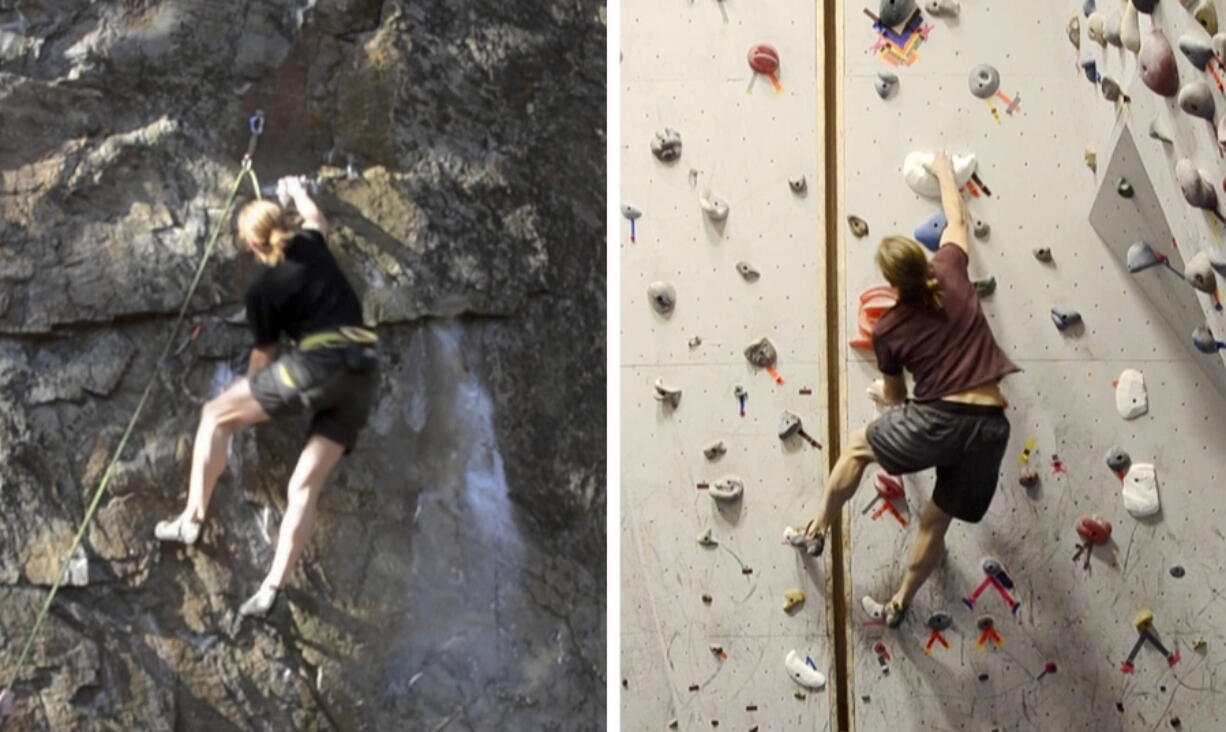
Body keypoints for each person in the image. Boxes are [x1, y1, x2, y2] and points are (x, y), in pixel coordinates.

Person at [803, 150, 1019, 627]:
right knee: (933, 521)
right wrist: (943, 170)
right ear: (922, 260)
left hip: (939, 418)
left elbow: (899, 401)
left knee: (858, 447)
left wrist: (885, 396)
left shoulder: (889, 329)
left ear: (891, 284)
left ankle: (816, 530)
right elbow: (956, 219)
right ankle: (899, 603)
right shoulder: (951, 270)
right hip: (990, 428)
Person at [154, 176, 379, 617]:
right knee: (303, 485)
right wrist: (295, 191)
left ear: (251, 246)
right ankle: (272, 588)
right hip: (364, 371)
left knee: (215, 416)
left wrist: (250, 395)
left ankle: (192, 518)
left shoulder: (264, 291)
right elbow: (317, 218)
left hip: (320, 362)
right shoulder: (313, 245)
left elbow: (264, 357)